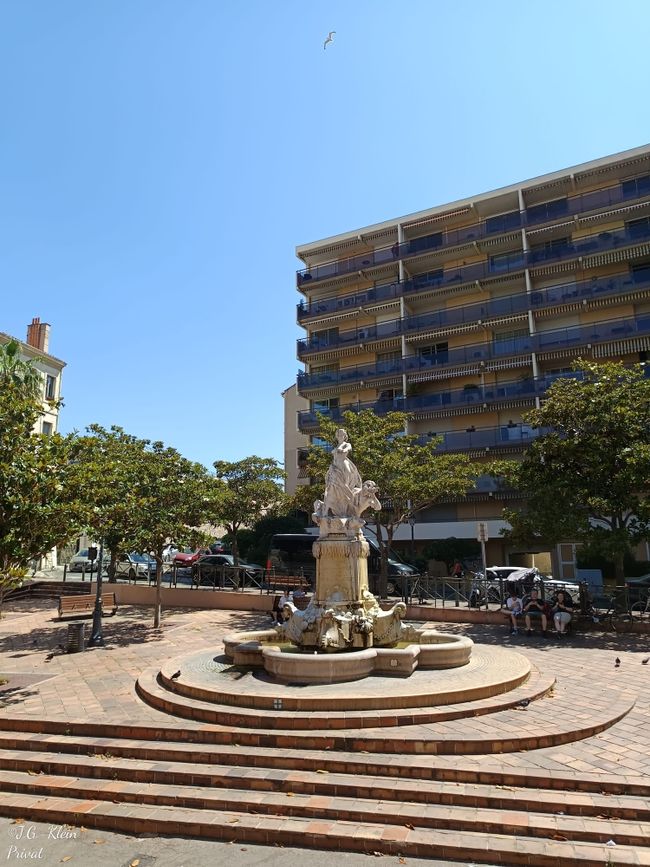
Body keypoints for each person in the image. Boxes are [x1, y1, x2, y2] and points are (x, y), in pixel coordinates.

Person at [322, 428, 363, 517]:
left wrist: (343, 450)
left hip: (344, 464)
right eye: (338, 435)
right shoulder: (336, 446)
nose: (340, 436)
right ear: (337, 436)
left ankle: (348, 496)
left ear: (345, 436)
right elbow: (334, 456)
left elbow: (348, 448)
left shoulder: (346, 444)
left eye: (342, 435)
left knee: (345, 481)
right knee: (330, 481)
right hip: (335, 466)